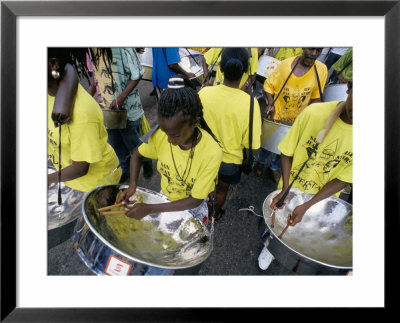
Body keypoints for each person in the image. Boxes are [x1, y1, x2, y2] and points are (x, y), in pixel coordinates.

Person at [117, 75, 223, 274]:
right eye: (166, 133)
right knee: (156, 250)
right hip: (165, 198)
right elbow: (136, 155)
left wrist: (149, 208)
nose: (170, 141)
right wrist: (132, 185)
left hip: (192, 208)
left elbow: (194, 200)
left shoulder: (212, 152)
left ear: (195, 122)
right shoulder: (161, 137)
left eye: (175, 135)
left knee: (183, 258)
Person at [258, 83, 353, 270]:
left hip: (322, 199)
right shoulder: (314, 113)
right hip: (290, 185)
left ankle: (295, 255)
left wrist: (308, 204)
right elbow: (287, 151)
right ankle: (270, 248)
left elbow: (344, 178)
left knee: (302, 231)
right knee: (280, 223)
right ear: (350, 87)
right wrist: (286, 189)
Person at [199, 48, 262, 220]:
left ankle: (199, 213)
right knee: (222, 190)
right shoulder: (251, 104)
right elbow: (253, 145)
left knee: (201, 186)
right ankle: (213, 215)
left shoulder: (204, 93)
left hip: (203, 156)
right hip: (229, 162)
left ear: (220, 67)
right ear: (245, 71)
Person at [47, 48, 121, 192]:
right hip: (69, 180)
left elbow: (80, 169)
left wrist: (46, 180)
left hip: (95, 186)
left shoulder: (83, 113)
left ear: (53, 63)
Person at [254, 48, 328, 183]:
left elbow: (317, 96)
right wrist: (271, 104)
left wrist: (311, 116)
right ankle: (260, 161)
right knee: (269, 143)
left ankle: (274, 167)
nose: (314, 54)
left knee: (286, 148)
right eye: (311, 49)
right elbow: (269, 85)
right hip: (277, 115)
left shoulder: (321, 70)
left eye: (318, 50)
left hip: (298, 120)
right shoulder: (285, 65)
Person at [89, 48, 153, 183]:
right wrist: (89, 97)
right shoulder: (92, 50)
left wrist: (121, 98)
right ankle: (126, 170)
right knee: (115, 143)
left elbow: (138, 74)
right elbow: (96, 76)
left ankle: (146, 160)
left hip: (128, 109)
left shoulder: (123, 48)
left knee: (133, 142)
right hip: (107, 109)